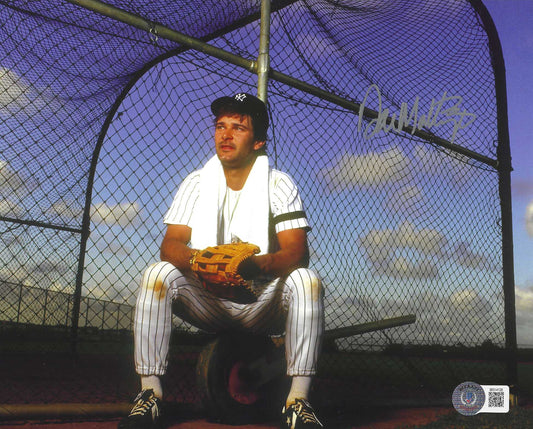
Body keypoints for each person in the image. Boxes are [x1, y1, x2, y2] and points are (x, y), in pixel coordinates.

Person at [118, 92, 325, 429]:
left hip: (259, 301)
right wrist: (204, 261)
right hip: (208, 298)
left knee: (307, 280)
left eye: (238, 128)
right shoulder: (196, 183)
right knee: (158, 274)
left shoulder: (278, 182)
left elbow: (296, 252)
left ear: (258, 141)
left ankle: (298, 401)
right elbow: (170, 246)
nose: (226, 135)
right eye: (220, 126)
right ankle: (150, 396)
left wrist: (251, 266)